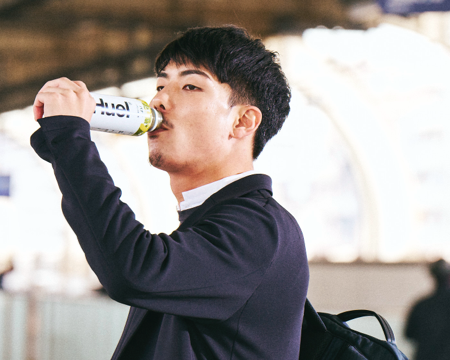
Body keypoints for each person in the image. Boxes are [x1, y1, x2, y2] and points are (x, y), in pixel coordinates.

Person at [30, 25, 308, 359]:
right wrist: (61, 140)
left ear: (243, 122)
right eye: (160, 85)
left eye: (190, 86)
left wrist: (70, 139)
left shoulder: (260, 229)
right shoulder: (211, 220)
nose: (160, 99)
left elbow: (135, 270)